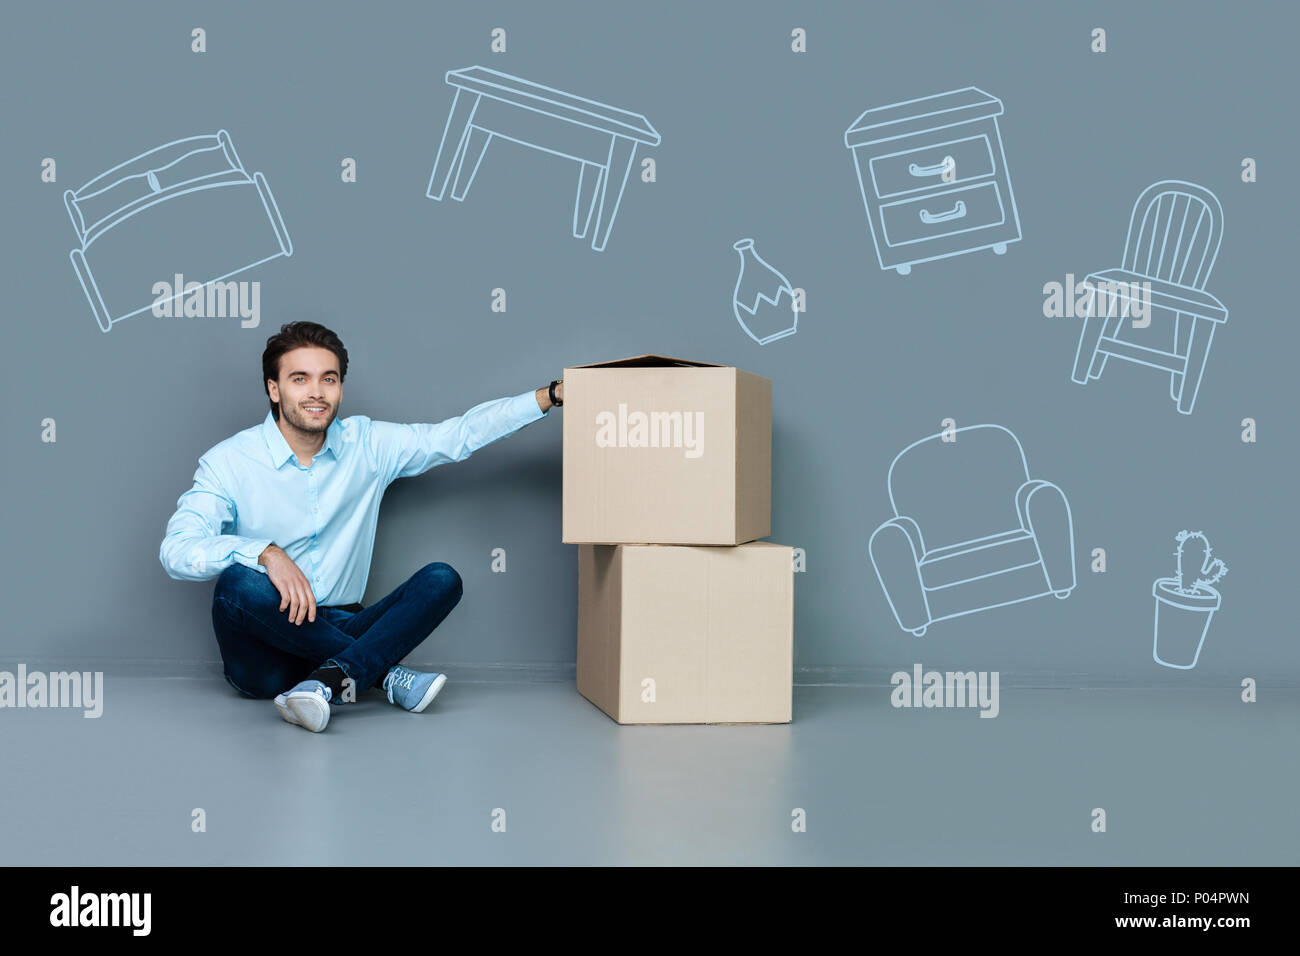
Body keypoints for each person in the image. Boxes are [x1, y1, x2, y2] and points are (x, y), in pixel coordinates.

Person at [159, 321, 563, 732]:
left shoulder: (367, 444)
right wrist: (266, 553)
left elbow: (457, 436)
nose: (316, 392)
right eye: (300, 379)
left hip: (344, 622)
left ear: (339, 388)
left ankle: (328, 679)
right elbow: (177, 549)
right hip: (266, 657)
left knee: (442, 580)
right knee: (237, 584)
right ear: (274, 389)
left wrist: (548, 396)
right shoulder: (229, 461)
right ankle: (381, 673)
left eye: (328, 379)